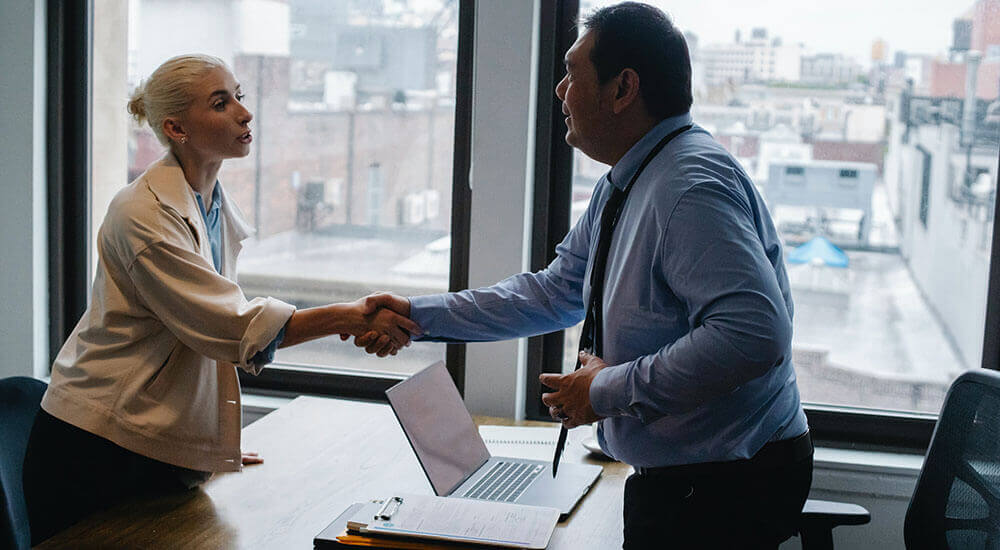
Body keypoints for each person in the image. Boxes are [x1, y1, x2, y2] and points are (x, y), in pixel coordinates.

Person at [354, 3, 812, 548]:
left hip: (723, 484)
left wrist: (604, 389)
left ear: (623, 90)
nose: (559, 90)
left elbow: (753, 336)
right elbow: (557, 292)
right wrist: (418, 316)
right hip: (690, 476)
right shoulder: (630, 178)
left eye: (572, 72)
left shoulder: (689, 189)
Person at [22, 54, 420, 544]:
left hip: (148, 440)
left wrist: (209, 442)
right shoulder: (144, 215)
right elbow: (229, 327)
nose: (244, 113)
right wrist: (351, 316)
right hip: (97, 446)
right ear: (176, 127)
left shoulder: (207, 201)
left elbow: (205, 332)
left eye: (239, 96)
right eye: (220, 102)